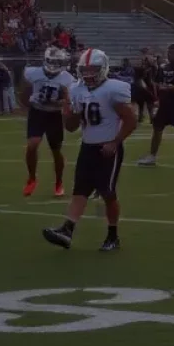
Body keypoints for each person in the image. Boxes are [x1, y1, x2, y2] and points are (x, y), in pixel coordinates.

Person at [43, 48, 137, 252]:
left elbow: (131, 120)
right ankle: (67, 230)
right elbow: (70, 127)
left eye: (93, 69)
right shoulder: (76, 89)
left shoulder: (113, 88)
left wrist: (115, 142)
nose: (88, 74)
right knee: (80, 190)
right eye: (84, 70)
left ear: (103, 68)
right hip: (87, 147)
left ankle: (113, 236)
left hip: (108, 148)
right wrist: (70, 111)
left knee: (108, 193)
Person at [19, 46, 74, 197]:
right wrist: (28, 101)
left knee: (56, 151)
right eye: (51, 61)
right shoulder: (33, 73)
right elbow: (23, 95)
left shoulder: (67, 79)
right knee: (32, 145)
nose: (53, 66)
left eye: (56, 62)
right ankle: (31, 179)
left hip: (54, 115)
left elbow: (68, 101)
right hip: (37, 112)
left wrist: (60, 103)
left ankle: (59, 182)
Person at [137, 44, 174, 168]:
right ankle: (152, 156)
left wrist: (172, 87)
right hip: (164, 104)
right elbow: (156, 83)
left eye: (173, 52)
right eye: (169, 52)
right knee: (157, 129)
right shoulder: (163, 68)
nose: (170, 54)